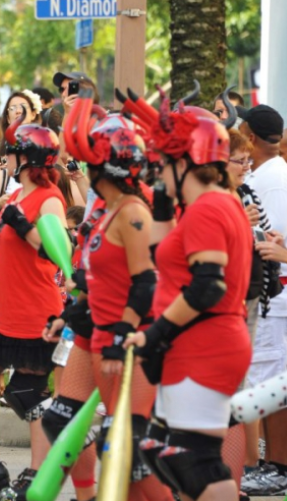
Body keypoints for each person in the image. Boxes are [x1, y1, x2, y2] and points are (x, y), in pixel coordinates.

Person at [123, 93, 252, 501]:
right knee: (162, 450)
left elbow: (207, 286)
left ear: (185, 161)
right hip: (199, 343)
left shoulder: (208, 209)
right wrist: (162, 204)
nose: (159, 172)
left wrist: (155, 332)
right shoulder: (210, 204)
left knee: (191, 459)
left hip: (206, 345)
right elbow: (159, 257)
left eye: (163, 163)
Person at [56, 107, 171, 501]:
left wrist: (120, 337)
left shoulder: (133, 212)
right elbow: (99, 274)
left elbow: (145, 283)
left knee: (131, 452)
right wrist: (70, 314)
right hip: (97, 328)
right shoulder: (104, 210)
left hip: (128, 337)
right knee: (63, 420)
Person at [0, 120, 68, 501]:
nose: (8, 158)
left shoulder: (49, 199)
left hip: (36, 311)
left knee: (27, 393)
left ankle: (38, 473)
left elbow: (58, 254)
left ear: (26, 158)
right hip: (4, 310)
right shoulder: (17, 195)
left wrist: (26, 228)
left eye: (13, 153)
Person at [237, 105, 287, 495]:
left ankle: (278, 467)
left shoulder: (272, 178)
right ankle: (272, 463)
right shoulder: (266, 174)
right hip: (272, 297)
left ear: (251, 136)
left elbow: (268, 238)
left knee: (272, 387)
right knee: (267, 384)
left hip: (277, 298)